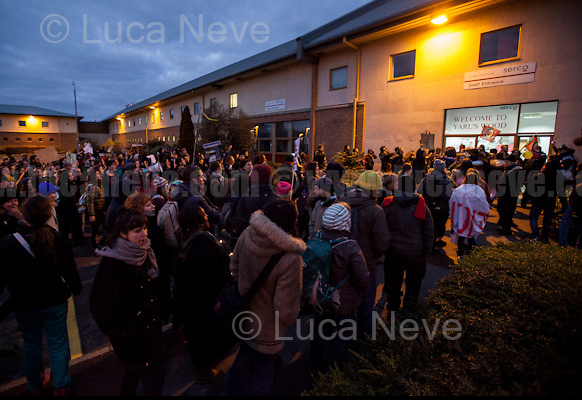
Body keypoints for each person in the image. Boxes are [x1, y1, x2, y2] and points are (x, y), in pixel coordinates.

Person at [0, 195, 82, 396]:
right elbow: (69, 269)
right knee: (58, 342)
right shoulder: (58, 238)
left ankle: (34, 385)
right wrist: (75, 288)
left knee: (31, 343)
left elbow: (3, 275)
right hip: (53, 298)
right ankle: (60, 385)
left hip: (23, 303)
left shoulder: (9, 242)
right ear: (47, 215)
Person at [226, 198, 306, 396]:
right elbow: (285, 307)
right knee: (263, 373)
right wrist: (290, 316)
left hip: (243, 314)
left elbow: (233, 267)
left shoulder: (248, 233)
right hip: (268, 327)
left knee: (242, 360)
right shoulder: (290, 258)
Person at [90, 208, 166, 396]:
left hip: (148, 332)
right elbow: (101, 308)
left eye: (144, 228)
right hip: (133, 340)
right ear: (123, 234)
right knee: (154, 379)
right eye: (136, 230)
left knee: (133, 375)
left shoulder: (144, 252)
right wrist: (127, 331)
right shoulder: (113, 264)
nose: (143, 234)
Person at [176, 205, 232, 384]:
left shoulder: (187, 239)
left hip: (191, 299)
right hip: (204, 300)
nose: (208, 217)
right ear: (199, 221)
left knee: (197, 332)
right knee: (204, 334)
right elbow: (215, 272)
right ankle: (204, 371)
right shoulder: (203, 243)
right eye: (204, 216)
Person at [310, 202, 369, 371]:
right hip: (343, 301)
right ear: (345, 223)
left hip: (320, 297)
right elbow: (363, 278)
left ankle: (315, 367)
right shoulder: (350, 246)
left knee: (320, 333)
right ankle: (337, 371)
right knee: (340, 336)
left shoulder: (315, 237)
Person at [339, 170, 390, 337]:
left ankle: (342, 341)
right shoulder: (376, 211)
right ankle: (364, 343)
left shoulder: (342, 203)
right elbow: (381, 242)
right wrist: (375, 256)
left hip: (342, 262)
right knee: (366, 306)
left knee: (344, 304)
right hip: (367, 264)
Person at [382, 175, 434, 314]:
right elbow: (429, 232)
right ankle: (409, 307)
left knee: (393, 281)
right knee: (414, 281)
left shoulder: (388, 203)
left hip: (393, 251)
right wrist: (427, 254)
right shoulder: (421, 204)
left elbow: (381, 227)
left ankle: (392, 306)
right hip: (415, 251)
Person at [449, 169, 490, 258]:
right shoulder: (479, 190)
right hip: (473, 217)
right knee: (471, 235)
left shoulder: (459, 190)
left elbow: (452, 202)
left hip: (461, 216)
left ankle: (460, 254)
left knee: (461, 235)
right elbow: (484, 205)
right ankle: (469, 253)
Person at [416, 159, 454, 251]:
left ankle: (426, 244)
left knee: (427, 224)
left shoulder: (427, 178)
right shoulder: (447, 180)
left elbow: (419, 191)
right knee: (439, 224)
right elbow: (447, 195)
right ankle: (436, 242)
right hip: (441, 207)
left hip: (427, 205)